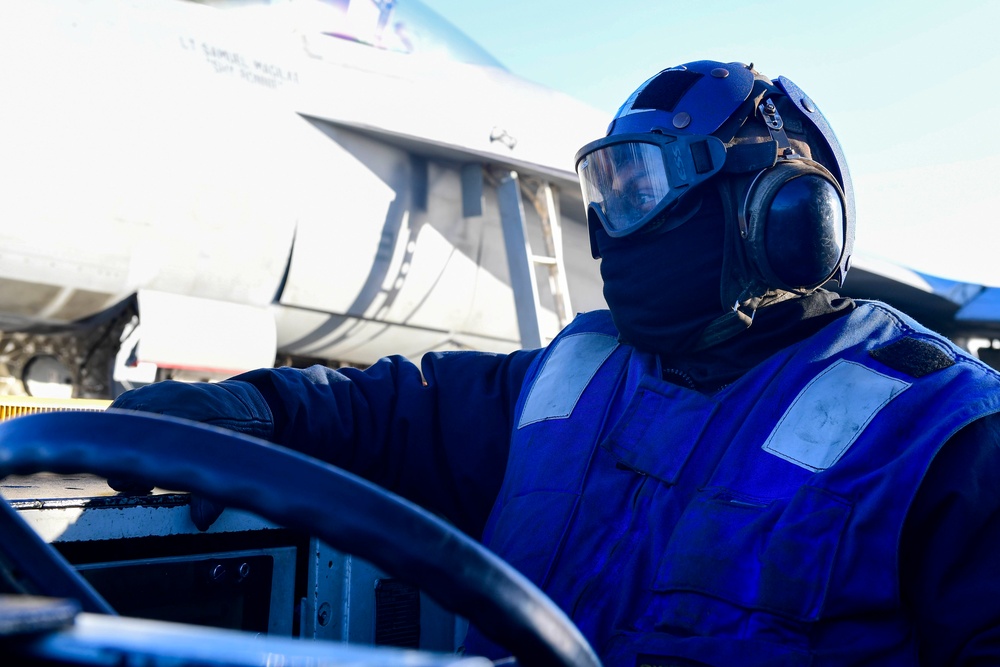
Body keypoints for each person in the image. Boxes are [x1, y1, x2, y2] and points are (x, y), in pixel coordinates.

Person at [109, 60, 1000, 665]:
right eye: (605, 187)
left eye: (643, 185)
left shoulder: (944, 435)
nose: (615, 222)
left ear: (785, 214)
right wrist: (258, 409)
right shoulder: (578, 373)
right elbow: (396, 408)